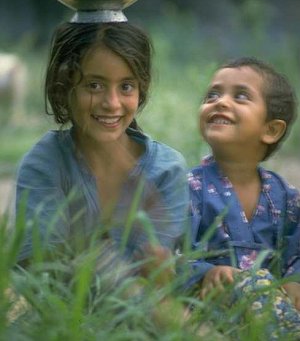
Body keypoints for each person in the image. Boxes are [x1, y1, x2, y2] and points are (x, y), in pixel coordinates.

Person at [15, 22, 189, 270]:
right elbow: (41, 271)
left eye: (126, 87)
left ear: (142, 89)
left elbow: (158, 274)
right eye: (94, 85)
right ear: (64, 88)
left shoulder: (167, 170)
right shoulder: (47, 162)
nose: (112, 103)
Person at [187, 56, 300, 337]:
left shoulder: (287, 199)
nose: (220, 101)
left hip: (274, 312)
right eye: (212, 94)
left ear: (271, 130)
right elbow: (166, 254)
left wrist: (295, 282)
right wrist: (205, 273)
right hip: (210, 318)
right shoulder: (187, 188)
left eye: (240, 96)